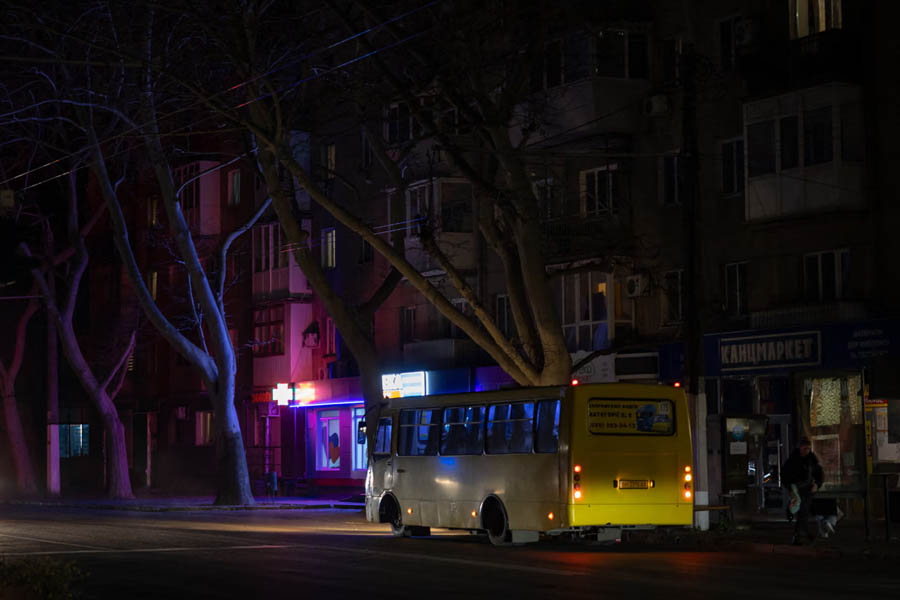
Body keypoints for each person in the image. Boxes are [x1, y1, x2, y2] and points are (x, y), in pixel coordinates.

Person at [782, 437, 824, 545]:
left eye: (808, 448)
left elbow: (819, 474)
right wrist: (790, 489)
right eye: (805, 448)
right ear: (800, 448)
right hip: (796, 489)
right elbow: (785, 476)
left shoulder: (811, 460)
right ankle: (803, 535)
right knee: (803, 512)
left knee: (803, 512)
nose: (807, 451)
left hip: (807, 490)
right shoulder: (793, 461)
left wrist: (817, 484)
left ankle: (801, 536)